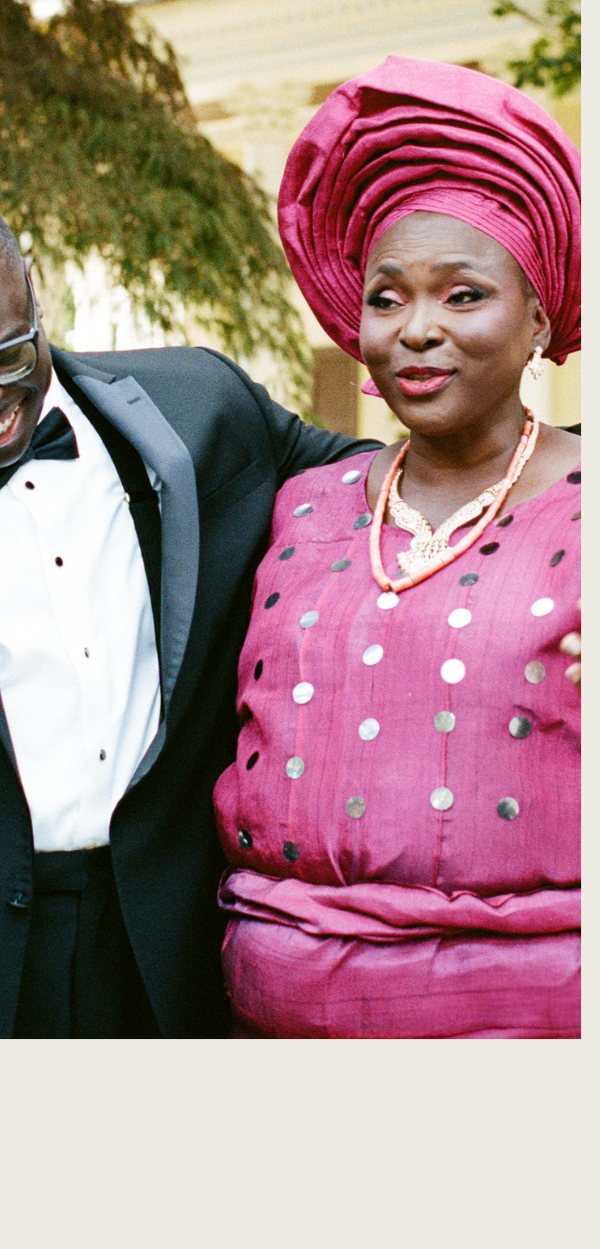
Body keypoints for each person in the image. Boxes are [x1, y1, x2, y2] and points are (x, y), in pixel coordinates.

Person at [0, 191, 371, 1038]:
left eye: (6, 358)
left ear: (33, 292)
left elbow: (386, 481)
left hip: (180, 950)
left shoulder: (200, 406)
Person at [213, 56, 580, 1038]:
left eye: (462, 295)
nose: (416, 329)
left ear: (536, 314)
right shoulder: (303, 509)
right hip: (276, 1025)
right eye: (386, 298)